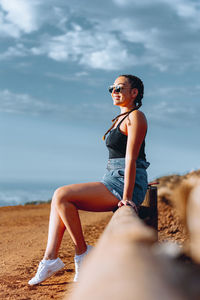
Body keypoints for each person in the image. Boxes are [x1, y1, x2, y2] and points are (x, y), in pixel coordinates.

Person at [28, 74, 150, 285]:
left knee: (62, 194)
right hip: (112, 176)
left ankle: (81, 254)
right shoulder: (118, 119)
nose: (114, 91)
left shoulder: (135, 117)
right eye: (112, 88)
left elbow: (131, 158)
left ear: (134, 92)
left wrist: (127, 197)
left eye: (120, 88)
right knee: (61, 199)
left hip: (125, 181)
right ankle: (51, 258)